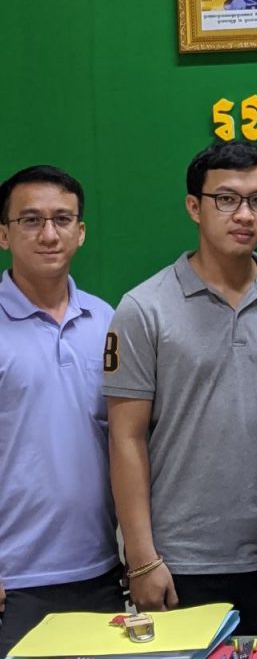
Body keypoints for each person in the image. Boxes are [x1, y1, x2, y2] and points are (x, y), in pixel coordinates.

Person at [103, 141, 257, 636]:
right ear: (194, 207)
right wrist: (141, 557)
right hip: (183, 561)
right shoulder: (144, 308)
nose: (245, 214)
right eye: (227, 199)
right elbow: (125, 438)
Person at [0, 166, 122, 657]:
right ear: (4, 234)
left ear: (81, 231)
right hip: (15, 582)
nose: (48, 234)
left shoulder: (107, 320)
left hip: (102, 572)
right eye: (31, 220)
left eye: (62, 219)